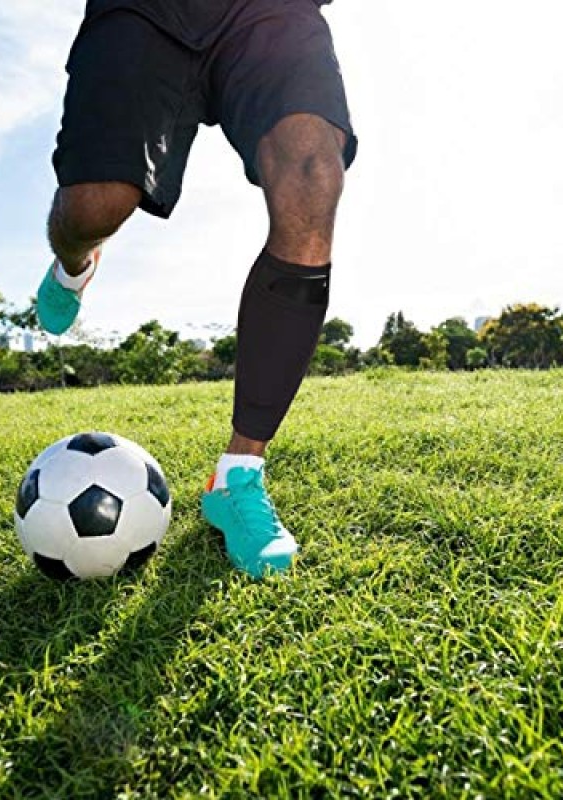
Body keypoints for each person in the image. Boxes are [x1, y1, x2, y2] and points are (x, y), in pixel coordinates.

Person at [37, 0, 357, 579]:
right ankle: (74, 262)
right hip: (143, 10)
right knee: (94, 206)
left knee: (313, 175)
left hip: (271, 12)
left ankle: (237, 478)